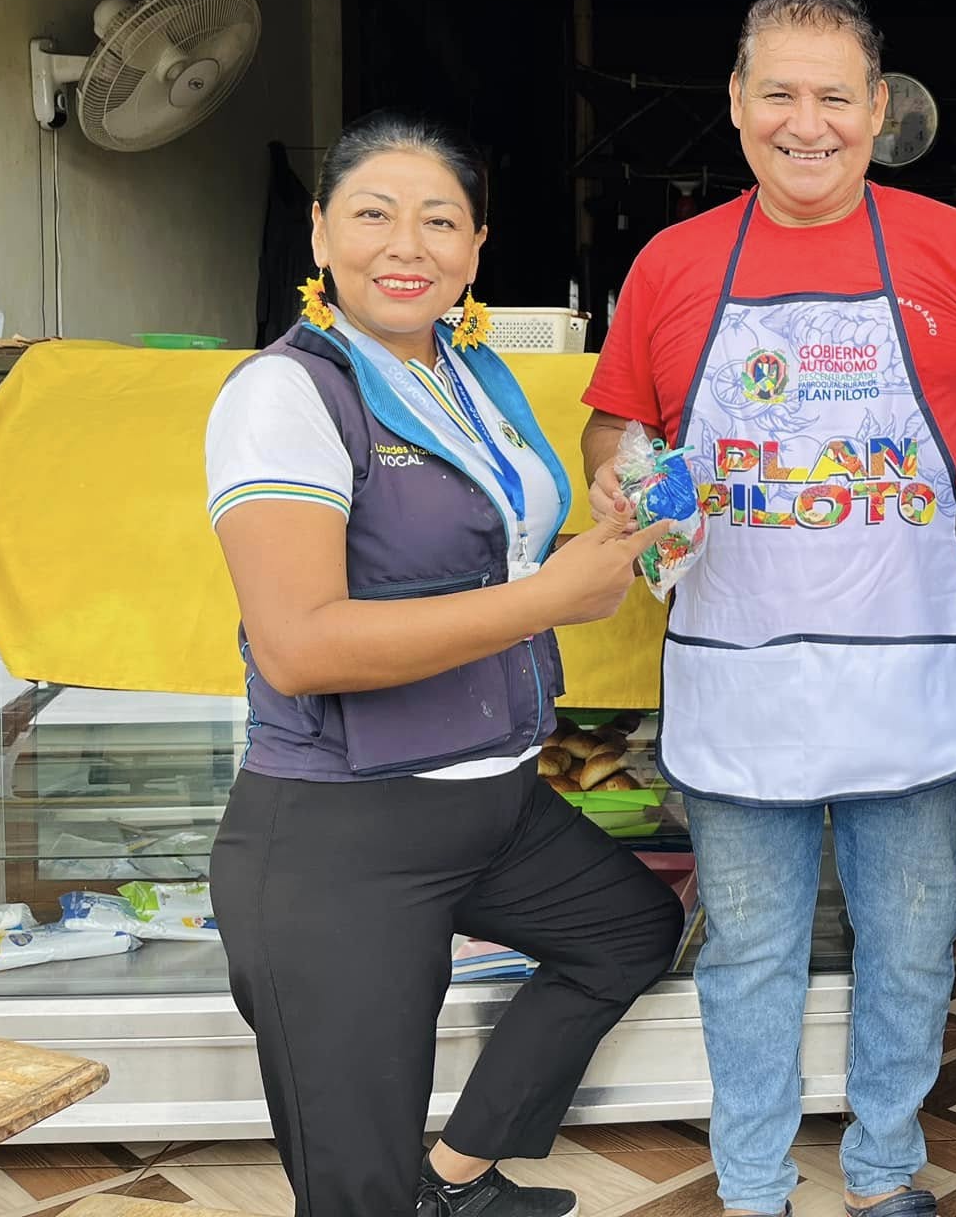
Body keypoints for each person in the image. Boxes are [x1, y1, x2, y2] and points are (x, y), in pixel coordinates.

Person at [581, 0, 956, 1217]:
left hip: (904, 670)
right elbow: (616, 423)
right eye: (780, 94)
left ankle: (885, 1168)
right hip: (738, 672)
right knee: (751, 951)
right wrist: (626, 483)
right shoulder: (673, 263)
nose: (808, 123)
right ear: (737, 104)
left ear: (878, 108)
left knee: (909, 942)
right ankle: (752, 1185)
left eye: (835, 97)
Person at [205, 111, 685, 1217]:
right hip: (343, 831)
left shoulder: (468, 376)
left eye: (438, 221)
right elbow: (299, 644)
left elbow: (481, 563)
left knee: (627, 932)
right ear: (319, 233)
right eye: (373, 215)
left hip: (495, 804)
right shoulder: (286, 394)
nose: (405, 246)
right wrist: (545, 599)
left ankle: (456, 1178)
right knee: (356, 1187)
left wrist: (601, 544)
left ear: (475, 248)